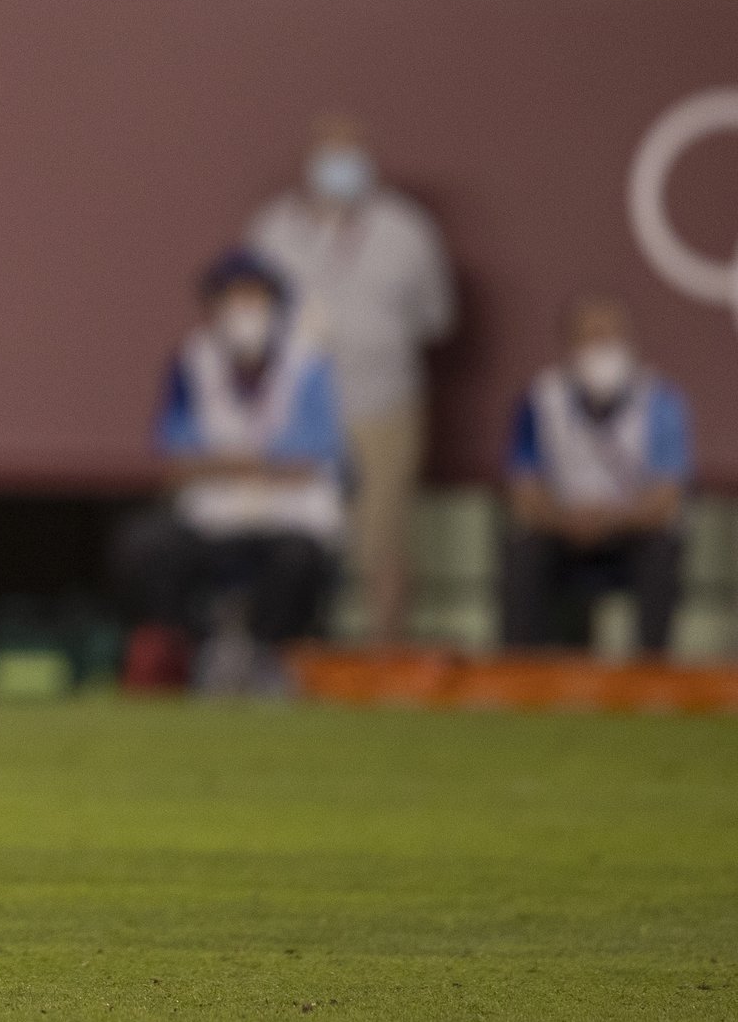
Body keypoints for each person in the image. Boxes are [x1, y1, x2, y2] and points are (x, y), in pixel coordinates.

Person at [247, 118, 455, 645]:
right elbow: (250, 318)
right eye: (329, 154)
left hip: (383, 404)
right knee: (292, 535)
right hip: (295, 410)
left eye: (350, 153)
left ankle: (386, 656)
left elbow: (436, 318)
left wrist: (369, 338)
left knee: (380, 535)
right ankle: (288, 651)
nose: (339, 168)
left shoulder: (407, 229)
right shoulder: (274, 229)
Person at [116, 250, 348, 689]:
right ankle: (187, 649)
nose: (245, 313)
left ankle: (270, 658)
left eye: (255, 299)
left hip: (289, 517)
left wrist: (227, 463)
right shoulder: (192, 363)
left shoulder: (308, 366)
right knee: (147, 545)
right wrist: (257, 463)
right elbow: (177, 456)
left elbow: (314, 456)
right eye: (233, 299)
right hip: (215, 518)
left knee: (300, 562)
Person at [500, 295, 692, 656]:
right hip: (561, 530)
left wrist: (608, 520)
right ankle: (518, 672)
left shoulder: (660, 399)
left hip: (630, 531)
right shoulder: (540, 399)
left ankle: (653, 673)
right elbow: (524, 492)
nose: (602, 348)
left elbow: (666, 496)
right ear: (569, 346)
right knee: (522, 549)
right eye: (591, 337)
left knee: (663, 549)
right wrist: (565, 520)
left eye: (611, 336)